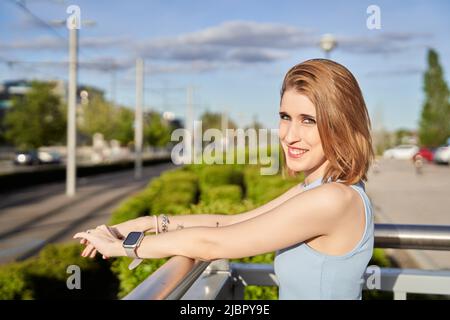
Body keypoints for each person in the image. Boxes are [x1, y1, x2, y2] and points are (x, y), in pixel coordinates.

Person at [74, 59, 375, 300]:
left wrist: (124, 248)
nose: (290, 135)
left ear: (341, 125)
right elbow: (232, 224)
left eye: (308, 120)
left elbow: (212, 243)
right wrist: (144, 224)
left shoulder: (333, 199)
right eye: (285, 117)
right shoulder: (318, 189)